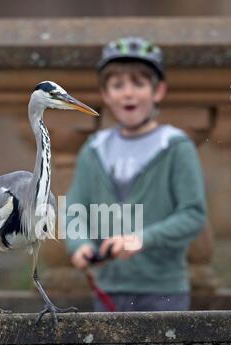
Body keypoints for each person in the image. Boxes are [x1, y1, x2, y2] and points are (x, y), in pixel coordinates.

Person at [64, 37, 207, 312]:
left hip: (163, 290)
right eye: (118, 86)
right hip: (109, 288)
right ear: (105, 94)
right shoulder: (94, 150)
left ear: (158, 91)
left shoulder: (176, 147)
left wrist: (142, 239)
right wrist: (79, 244)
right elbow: (73, 210)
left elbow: (193, 215)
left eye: (138, 84)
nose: (128, 94)